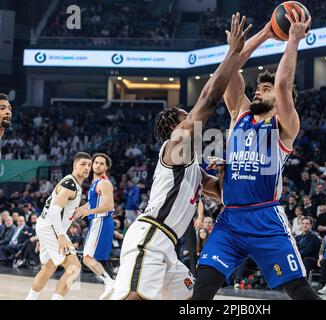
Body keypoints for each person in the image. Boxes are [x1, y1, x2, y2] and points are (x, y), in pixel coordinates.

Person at [112, 12, 250, 300]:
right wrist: (233, 53)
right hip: (149, 236)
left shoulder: (191, 167)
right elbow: (210, 100)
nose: (193, 119)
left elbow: (221, 193)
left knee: (194, 300)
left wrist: (223, 170)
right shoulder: (173, 148)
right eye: (186, 117)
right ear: (176, 127)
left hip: (168, 245)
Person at [194, 11, 319, 300]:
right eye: (258, 88)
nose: (259, 92)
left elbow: (283, 86)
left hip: (265, 218)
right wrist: (263, 33)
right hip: (230, 220)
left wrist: (293, 40)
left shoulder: (285, 126)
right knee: (203, 289)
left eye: (265, 89)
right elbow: (226, 74)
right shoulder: (239, 114)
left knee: (298, 289)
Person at [26, 152, 92, 300]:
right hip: (52, 228)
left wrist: (84, 208)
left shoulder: (74, 184)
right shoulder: (70, 185)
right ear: (74, 165)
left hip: (46, 226)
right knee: (74, 268)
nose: (87, 168)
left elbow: (64, 210)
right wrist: (61, 235)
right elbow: (55, 211)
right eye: (83, 164)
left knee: (48, 268)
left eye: (89, 165)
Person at [75, 153, 116, 300]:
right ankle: (112, 288)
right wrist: (81, 208)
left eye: (101, 163)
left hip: (101, 221)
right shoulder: (94, 181)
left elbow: (109, 205)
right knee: (100, 260)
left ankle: (110, 283)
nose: (97, 165)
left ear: (106, 167)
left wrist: (88, 211)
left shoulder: (104, 183)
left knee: (87, 258)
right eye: (96, 163)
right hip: (98, 222)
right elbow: (94, 202)